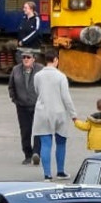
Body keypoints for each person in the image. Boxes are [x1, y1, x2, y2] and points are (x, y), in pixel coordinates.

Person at [32, 49, 78, 181]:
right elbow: (66, 97)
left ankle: (47, 174)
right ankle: (60, 171)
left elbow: (37, 90)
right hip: (59, 112)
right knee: (61, 142)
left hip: (42, 111)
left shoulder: (38, 76)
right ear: (56, 60)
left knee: (46, 144)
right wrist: (73, 114)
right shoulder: (61, 76)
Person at [8, 49, 42, 166]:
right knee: (25, 131)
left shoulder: (40, 70)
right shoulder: (16, 70)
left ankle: (36, 153)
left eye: (28, 57)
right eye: (24, 57)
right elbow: (11, 86)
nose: (26, 59)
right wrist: (15, 100)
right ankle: (28, 155)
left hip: (37, 106)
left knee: (38, 130)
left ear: (33, 59)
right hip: (22, 106)